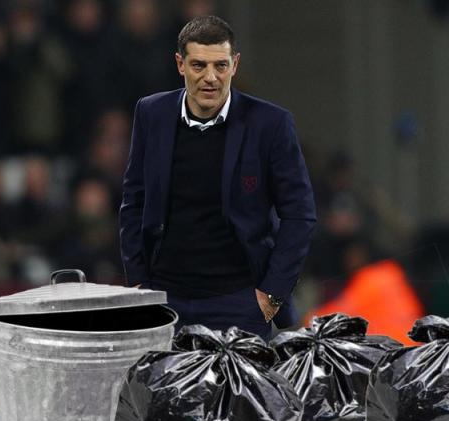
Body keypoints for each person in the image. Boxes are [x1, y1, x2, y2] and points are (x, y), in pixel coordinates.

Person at [119, 15, 316, 338]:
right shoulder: (151, 114)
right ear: (180, 64)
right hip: (165, 303)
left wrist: (270, 295)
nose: (210, 77)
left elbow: (300, 214)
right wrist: (139, 284)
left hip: (241, 302)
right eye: (199, 66)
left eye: (220, 66)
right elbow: (133, 201)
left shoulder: (271, 124)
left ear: (234, 64)